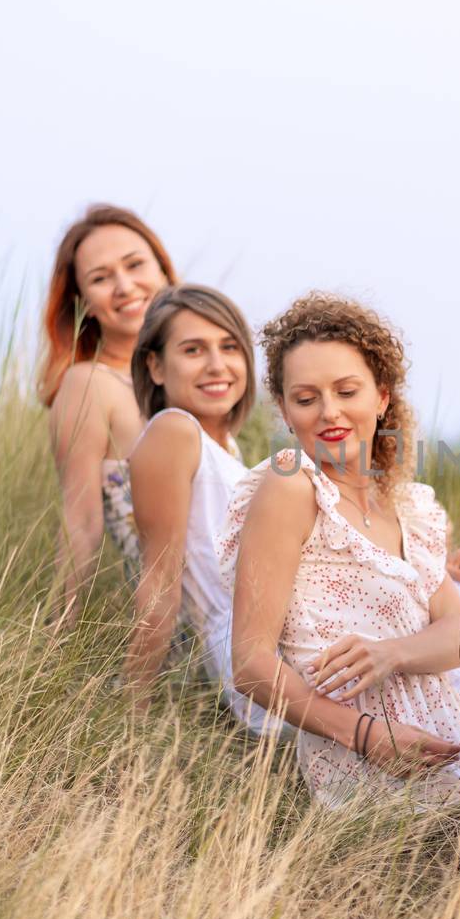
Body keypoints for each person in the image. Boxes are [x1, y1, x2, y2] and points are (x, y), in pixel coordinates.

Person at [220, 292, 460, 805]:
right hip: (363, 774)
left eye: (347, 390)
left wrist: (392, 654)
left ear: (381, 397)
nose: (329, 412)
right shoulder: (293, 486)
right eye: (307, 398)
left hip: (458, 753)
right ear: (287, 413)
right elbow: (249, 664)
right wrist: (366, 736)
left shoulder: (407, 506)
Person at [123, 285, 286, 736]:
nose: (217, 364)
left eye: (230, 347)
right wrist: (132, 715)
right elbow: (160, 579)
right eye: (194, 350)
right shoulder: (173, 432)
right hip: (254, 650)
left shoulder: (229, 452)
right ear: (155, 366)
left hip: (288, 631)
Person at [38, 204, 177, 618]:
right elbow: (80, 523)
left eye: (135, 265)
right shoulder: (89, 385)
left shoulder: (202, 377)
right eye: (100, 278)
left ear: (164, 272)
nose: (124, 286)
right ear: (83, 304)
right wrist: (52, 649)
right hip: (179, 624)